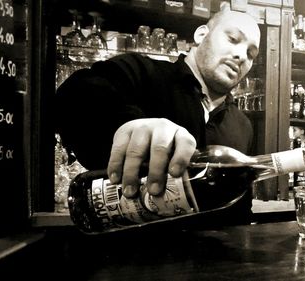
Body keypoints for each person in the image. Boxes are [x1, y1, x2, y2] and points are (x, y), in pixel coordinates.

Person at [55, 9, 261, 226]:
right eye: (232, 39)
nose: (241, 56)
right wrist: (129, 124)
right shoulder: (145, 73)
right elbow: (74, 95)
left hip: (213, 257)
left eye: (251, 54)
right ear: (201, 35)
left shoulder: (242, 125)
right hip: (132, 255)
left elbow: (240, 210)